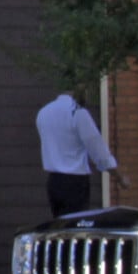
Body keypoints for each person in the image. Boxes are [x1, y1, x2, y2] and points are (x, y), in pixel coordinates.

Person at [37, 85, 117, 217]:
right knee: (76, 221)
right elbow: (96, 146)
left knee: (59, 222)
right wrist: (117, 175)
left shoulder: (44, 112)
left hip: (54, 181)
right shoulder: (78, 112)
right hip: (75, 181)